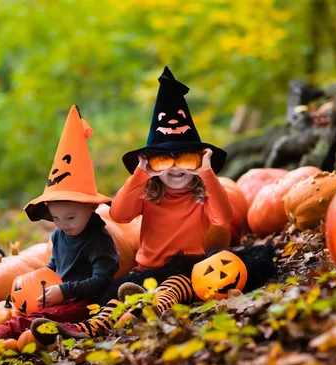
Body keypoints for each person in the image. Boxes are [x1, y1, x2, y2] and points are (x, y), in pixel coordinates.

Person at [30, 67, 275, 343]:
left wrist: (207, 173)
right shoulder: (147, 192)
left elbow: (223, 217)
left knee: (173, 288)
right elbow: (119, 214)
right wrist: (140, 173)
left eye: (183, 157)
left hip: (188, 266)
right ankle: (85, 330)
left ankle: (149, 310)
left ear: (197, 159)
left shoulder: (203, 194)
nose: (173, 166)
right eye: (162, 159)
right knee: (113, 298)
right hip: (144, 271)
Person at [0, 105, 119, 357]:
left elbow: (103, 280)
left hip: (88, 303)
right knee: (30, 312)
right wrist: (35, 286)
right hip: (62, 297)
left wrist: (64, 291)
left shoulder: (100, 240)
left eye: (70, 217)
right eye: (55, 218)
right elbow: (54, 267)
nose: (63, 224)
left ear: (91, 208)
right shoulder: (60, 234)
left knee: (42, 318)